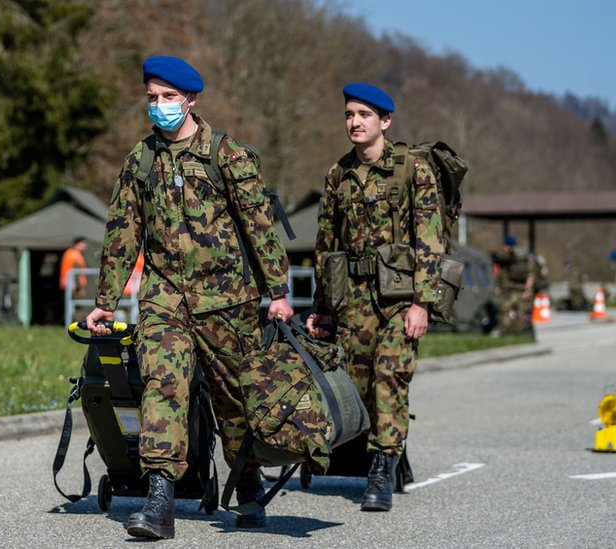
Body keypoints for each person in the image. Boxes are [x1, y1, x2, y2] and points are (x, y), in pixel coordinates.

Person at [84, 55, 291, 539]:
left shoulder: (227, 155)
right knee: (163, 386)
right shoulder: (141, 159)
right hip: (164, 298)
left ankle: (246, 485)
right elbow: (122, 234)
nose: (159, 107)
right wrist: (106, 300)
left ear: (191, 100)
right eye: (152, 98)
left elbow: (261, 229)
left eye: (169, 98)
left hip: (229, 302)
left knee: (233, 400)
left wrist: (278, 292)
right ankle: (161, 500)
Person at [306, 83, 444, 512]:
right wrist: (323, 309)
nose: (354, 122)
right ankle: (393, 453)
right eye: (349, 114)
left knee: (390, 376)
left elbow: (430, 240)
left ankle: (381, 470)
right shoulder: (338, 175)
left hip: (401, 295)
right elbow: (326, 246)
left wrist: (423, 302)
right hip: (354, 300)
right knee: (360, 385)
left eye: (364, 115)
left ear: (384, 121)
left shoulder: (412, 170)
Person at [492, 235, 535, 335]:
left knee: (504, 311)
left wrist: (498, 287)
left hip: (508, 289)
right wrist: (528, 290)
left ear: (505, 245)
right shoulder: (525, 257)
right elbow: (531, 275)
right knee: (521, 313)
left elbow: (498, 272)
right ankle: (519, 333)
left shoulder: (505, 256)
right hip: (522, 289)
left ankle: (505, 332)